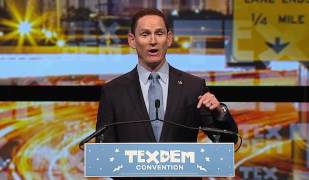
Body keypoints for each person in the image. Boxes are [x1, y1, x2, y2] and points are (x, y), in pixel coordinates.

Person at [96, 8, 238, 144]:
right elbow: (103, 150)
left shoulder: (193, 87)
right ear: (132, 40)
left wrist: (220, 111)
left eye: (159, 33)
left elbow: (228, 141)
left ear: (169, 39)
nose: (153, 41)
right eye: (145, 34)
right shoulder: (114, 92)